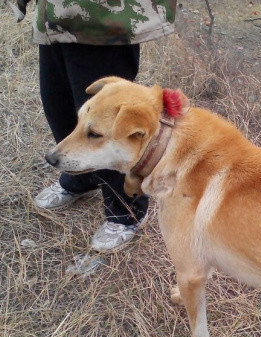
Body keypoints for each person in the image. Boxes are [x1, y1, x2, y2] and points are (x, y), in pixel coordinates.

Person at [17, 0, 177, 252]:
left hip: (103, 15)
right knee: (58, 103)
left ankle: (126, 211)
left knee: (110, 128)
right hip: (55, 14)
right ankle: (82, 179)